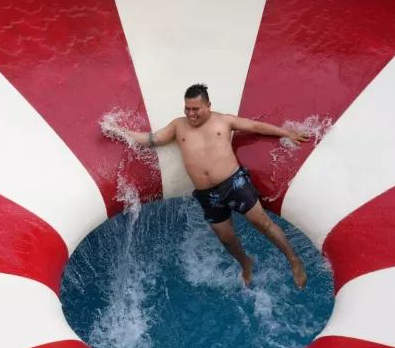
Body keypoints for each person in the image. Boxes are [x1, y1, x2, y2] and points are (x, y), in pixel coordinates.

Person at [106, 83, 310, 288]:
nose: (191, 114)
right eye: (187, 108)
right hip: (207, 194)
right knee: (225, 237)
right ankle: (246, 262)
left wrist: (285, 132)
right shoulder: (178, 125)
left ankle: (293, 259)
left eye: (196, 109)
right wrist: (120, 132)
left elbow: (255, 126)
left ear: (208, 105)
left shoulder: (224, 120)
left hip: (234, 183)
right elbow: (152, 139)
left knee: (262, 224)